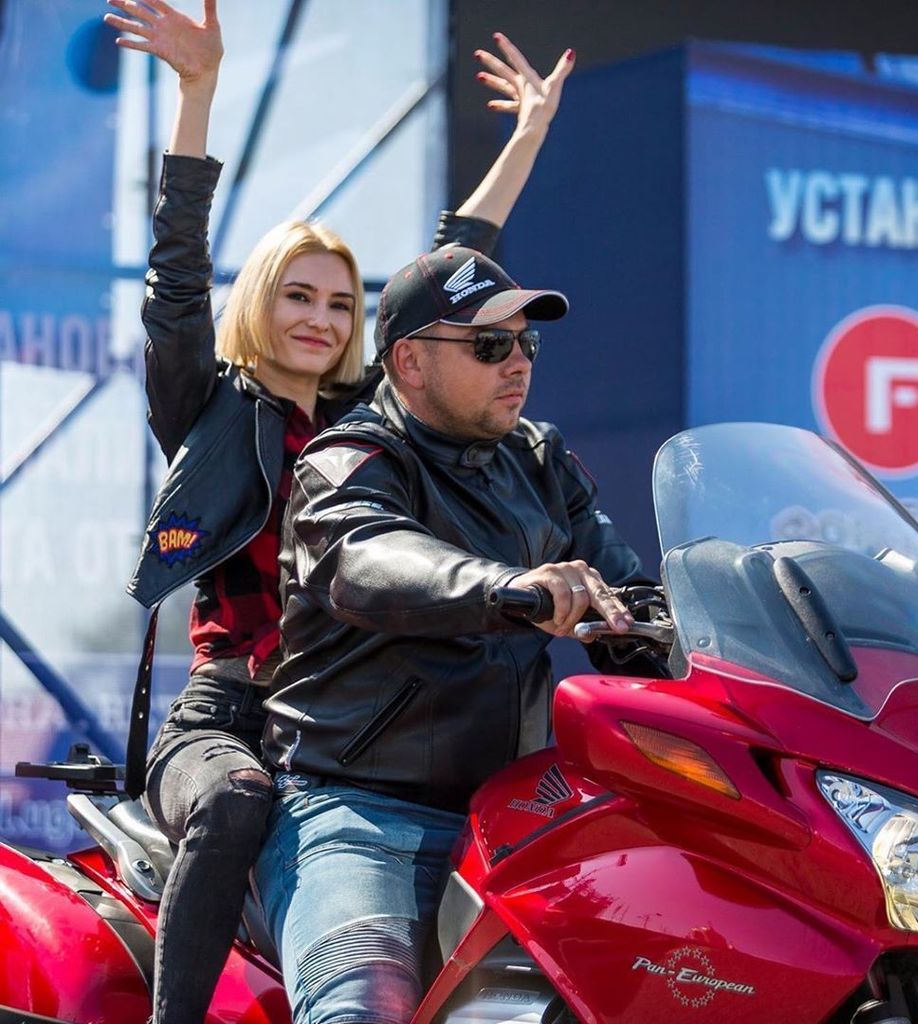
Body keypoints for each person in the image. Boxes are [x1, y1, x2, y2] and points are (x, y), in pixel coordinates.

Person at [104, 1, 574, 1022]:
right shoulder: (210, 410)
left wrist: (527, 140)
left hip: (349, 717)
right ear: (259, 304)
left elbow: (453, 272)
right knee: (235, 802)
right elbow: (175, 284)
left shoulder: (375, 416)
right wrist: (198, 95)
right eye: (298, 295)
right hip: (232, 712)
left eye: (341, 303)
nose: (321, 318)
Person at [254, 243, 662, 1024]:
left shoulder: (538, 460)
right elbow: (367, 560)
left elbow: (629, 594)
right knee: (360, 1011)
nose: (519, 361)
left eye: (526, 341)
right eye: (488, 344)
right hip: (358, 814)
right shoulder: (349, 460)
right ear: (409, 361)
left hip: (520, 818)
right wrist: (511, 589)